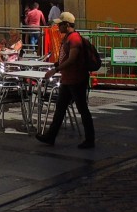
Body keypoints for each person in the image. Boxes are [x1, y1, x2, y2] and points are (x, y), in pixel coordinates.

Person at [35, 12, 95, 148]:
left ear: (67, 25)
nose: (58, 27)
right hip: (67, 80)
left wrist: (55, 70)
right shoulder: (67, 38)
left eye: (60, 24)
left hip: (76, 80)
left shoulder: (74, 39)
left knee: (82, 109)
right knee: (60, 109)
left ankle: (90, 139)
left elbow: (72, 59)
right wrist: (56, 65)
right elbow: (65, 57)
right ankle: (50, 136)